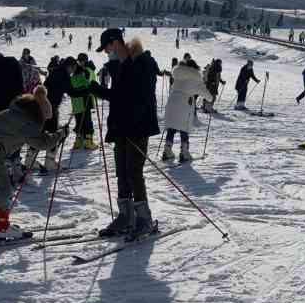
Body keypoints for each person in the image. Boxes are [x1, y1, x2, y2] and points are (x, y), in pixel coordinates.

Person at [0, 87, 64, 240]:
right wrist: (60, 135)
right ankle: (0, 227)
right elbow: (42, 143)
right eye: (45, 118)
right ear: (40, 113)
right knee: (2, 189)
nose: (44, 122)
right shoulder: (27, 121)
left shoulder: (19, 113)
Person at [88, 28, 160, 239]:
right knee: (122, 171)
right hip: (121, 128)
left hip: (137, 127)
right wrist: (99, 90)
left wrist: (104, 91)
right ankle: (126, 216)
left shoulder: (142, 63)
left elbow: (139, 96)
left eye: (106, 48)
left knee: (134, 172)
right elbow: (120, 97)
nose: (105, 52)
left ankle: (144, 219)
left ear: (115, 42)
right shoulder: (119, 66)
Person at [162, 58, 209, 161]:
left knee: (172, 126)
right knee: (184, 127)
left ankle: (167, 149)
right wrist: (210, 98)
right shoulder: (195, 78)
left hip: (172, 103)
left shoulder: (178, 76)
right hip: (185, 104)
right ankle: (184, 151)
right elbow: (205, 92)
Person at [70, 54, 97, 149]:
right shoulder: (78, 71)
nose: (80, 62)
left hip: (84, 99)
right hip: (79, 100)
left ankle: (85, 141)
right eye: (79, 60)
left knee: (85, 120)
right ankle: (81, 141)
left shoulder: (86, 70)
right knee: (82, 121)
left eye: (81, 60)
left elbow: (91, 83)